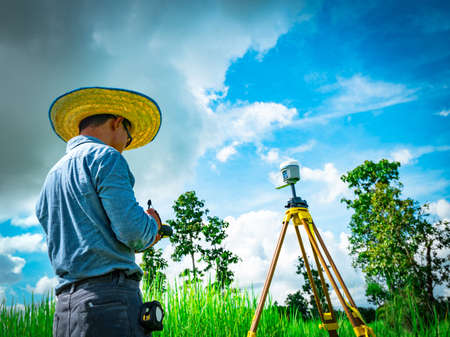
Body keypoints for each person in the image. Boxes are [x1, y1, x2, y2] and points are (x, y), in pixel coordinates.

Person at [36, 87, 163, 337]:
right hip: (110, 303)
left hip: (65, 310)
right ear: (117, 123)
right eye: (129, 136)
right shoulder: (107, 157)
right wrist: (153, 227)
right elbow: (133, 232)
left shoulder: (50, 178)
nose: (126, 144)